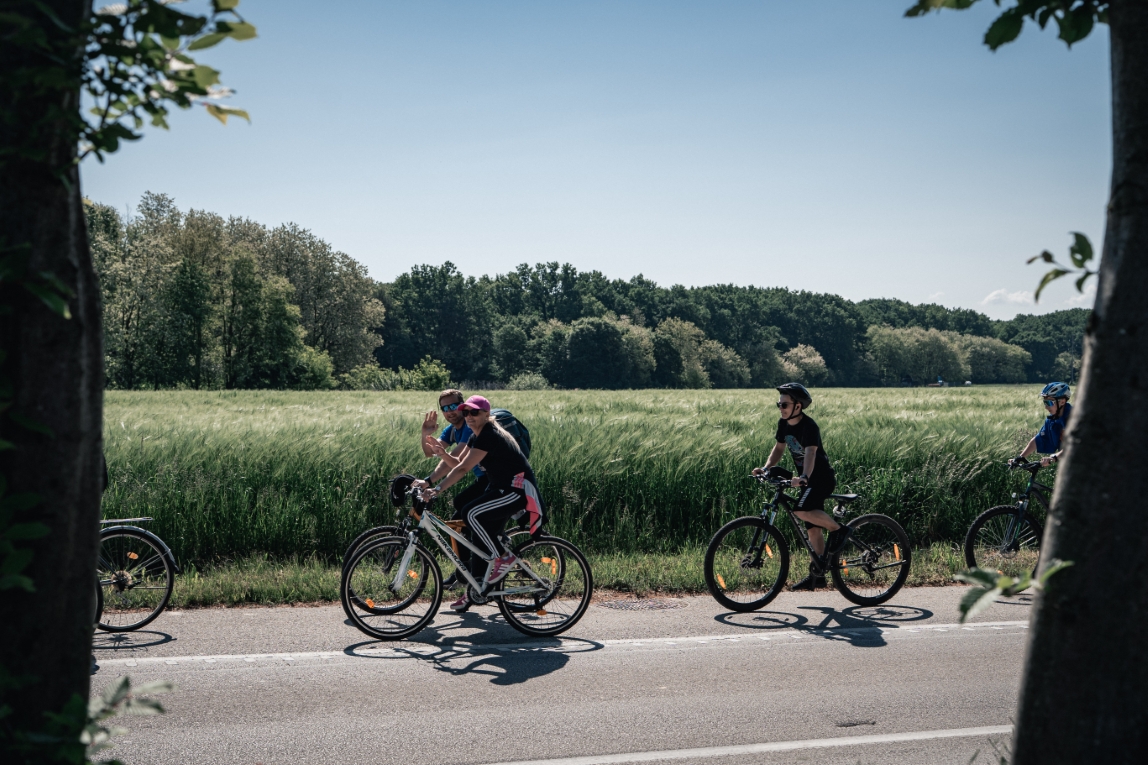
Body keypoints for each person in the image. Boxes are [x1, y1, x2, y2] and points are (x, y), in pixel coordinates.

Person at [420, 395, 543, 612]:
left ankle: (504, 558)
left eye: (474, 412)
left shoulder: (490, 434)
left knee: (470, 513)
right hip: (500, 489)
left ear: (487, 414)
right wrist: (442, 454)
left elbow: (462, 470)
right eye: (466, 412)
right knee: (477, 536)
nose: (469, 417)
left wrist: (437, 489)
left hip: (517, 490)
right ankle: (476, 591)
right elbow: (458, 463)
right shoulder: (476, 437)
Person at [752, 382, 851, 591]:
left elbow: (810, 453)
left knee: (800, 510)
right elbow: (779, 448)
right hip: (807, 479)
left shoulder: (809, 426)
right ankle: (819, 574)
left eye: (784, 405)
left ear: (798, 406)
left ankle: (839, 530)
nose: (781, 408)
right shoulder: (783, 424)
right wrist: (766, 468)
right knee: (813, 529)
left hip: (821, 478)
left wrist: (804, 475)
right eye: (778, 405)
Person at [417, 388, 489, 589]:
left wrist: (432, 484)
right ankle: (464, 572)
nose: (449, 411)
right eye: (444, 408)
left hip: (491, 480)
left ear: (462, 405)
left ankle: (471, 571)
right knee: (458, 518)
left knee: (465, 518)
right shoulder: (451, 430)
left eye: (453, 406)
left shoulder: (468, 426)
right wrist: (425, 435)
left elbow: (455, 462)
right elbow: (431, 453)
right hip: (482, 480)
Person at [1015, 382, 1073, 467]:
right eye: (1045, 402)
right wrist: (1020, 457)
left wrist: (1054, 457)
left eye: (1049, 402)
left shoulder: (1074, 419)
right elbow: (1039, 439)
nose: (1046, 407)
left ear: (1063, 402)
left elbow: (1075, 446)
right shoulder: (1052, 419)